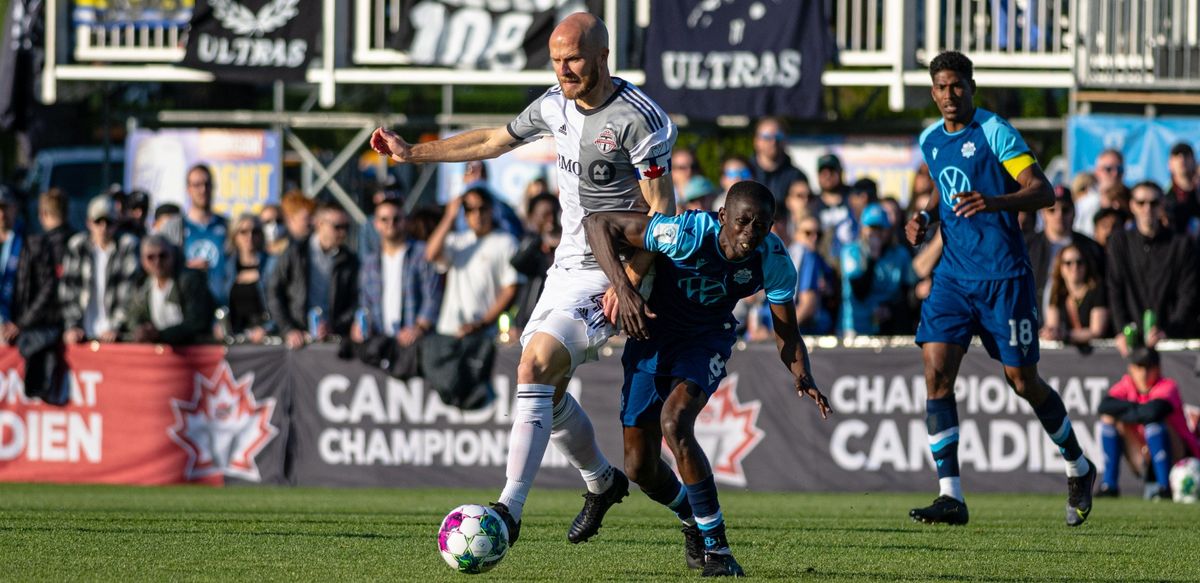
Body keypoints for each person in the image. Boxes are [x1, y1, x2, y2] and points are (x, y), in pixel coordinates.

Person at [370, 12, 677, 546]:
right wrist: (413, 152)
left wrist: (627, 279)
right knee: (546, 388)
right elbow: (493, 139)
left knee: (534, 364)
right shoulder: (554, 105)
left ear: (603, 56)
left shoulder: (638, 118)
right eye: (557, 60)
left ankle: (508, 511)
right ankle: (601, 482)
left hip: (619, 272)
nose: (564, 70)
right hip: (567, 268)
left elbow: (664, 212)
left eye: (574, 59)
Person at [583, 181, 831, 577]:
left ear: (772, 226)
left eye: (761, 224)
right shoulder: (686, 233)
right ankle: (692, 518)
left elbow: (788, 333)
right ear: (722, 218)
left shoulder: (775, 259)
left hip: (705, 342)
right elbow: (597, 223)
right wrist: (623, 288)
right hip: (654, 337)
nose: (750, 232)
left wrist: (804, 374)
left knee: (674, 423)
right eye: (743, 221)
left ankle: (718, 549)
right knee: (638, 468)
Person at [904, 51, 1096, 526]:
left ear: (972, 86)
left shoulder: (995, 132)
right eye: (942, 87)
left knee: (1022, 381)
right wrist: (927, 216)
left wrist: (994, 200)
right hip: (952, 277)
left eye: (958, 86)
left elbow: (1044, 190)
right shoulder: (930, 140)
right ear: (933, 92)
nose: (950, 95)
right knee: (935, 372)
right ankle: (951, 495)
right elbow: (939, 186)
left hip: (1005, 278)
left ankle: (1078, 464)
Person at [423, 188, 523, 409]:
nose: (477, 214)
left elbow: (510, 289)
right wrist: (449, 216)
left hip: (484, 338)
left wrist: (482, 323)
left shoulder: (506, 242)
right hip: (449, 334)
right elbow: (430, 254)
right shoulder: (458, 241)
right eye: (469, 209)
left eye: (482, 208)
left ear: (492, 209)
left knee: (481, 399)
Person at [353, 196, 442, 378]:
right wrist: (360, 324)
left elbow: (433, 296)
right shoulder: (370, 262)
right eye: (384, 219)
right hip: (382, 342)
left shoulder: (421, 254)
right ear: (376, 224)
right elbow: (365, 301)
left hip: (414, 344)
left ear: (406, 222)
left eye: (396, 219)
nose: (390, 224)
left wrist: (418, 328)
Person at [1106, 181, 1199, 354]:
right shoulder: (1119, 242)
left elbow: (1188, 293)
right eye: (1141, 203)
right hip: (1130, 342)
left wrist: (1168, 331)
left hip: (1171, 344)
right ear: (1132, 205)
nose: (1147, 208)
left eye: (1153, 203)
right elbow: (1115, 288)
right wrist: (1121, 329)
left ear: (1162, 205)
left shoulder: (1181, 244)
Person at [1097, 347, 1200, 498]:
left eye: (1149, 368)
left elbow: (1153, 412)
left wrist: (1127, 409)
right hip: (1143, 454)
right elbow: (1104, 406)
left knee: (1155, 422)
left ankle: (1164, 487)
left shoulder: (1167, 386)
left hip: (1179, 458)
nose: (1144, 373)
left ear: (1158, 369)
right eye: (1139, 367)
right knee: (1108, 419)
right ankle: (1109, 485)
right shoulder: (1127, 384)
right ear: (1131, 368)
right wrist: (1137, 408)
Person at [267, 202, 359, 349]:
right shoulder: (295, 253)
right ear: (319, 224)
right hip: (298, 339)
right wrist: (288, 329)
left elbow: (356, 302)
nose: (343, 233)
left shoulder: (350, 260)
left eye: (346, 227)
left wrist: (334, 326)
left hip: (333, 340)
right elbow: (274, 293)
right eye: (337, 227)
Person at [60, 195, 142, 344]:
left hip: (115, 335)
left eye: (109, 222)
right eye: (98, 221)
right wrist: (72, 326)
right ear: (89, 223)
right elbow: (68, 290)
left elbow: (130, 292)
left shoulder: (127, 245)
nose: (103, 227)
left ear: (116, 224)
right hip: (82, 334)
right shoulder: (77, 246)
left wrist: (116, 326)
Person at [1024, 185, 1105, 320]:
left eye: (1065, 209)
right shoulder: (1028, 246)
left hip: (1073, 329)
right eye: (1052, 210)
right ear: (1043, 214)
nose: (1059, 215)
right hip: (1033, 325)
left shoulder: (1091, 248)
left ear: (1074, 212)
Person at [840, 203, 916, 336]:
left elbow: (907, 293)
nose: (875, 233)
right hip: (856, 326)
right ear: (863, 229)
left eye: (880, 229)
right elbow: (859, 291)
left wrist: (890, 309)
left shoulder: (900, 254)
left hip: (889, 325)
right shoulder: (851, 252)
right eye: (871, 228)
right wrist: (872, 258)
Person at [125, 235, 215, 345]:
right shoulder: (143, 286)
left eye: (163, 255)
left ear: (173, 255)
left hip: (191, 351)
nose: (157, 261)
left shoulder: (189, 280)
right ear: (143, 261)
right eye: (150, 257)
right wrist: (141, 330)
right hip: (159, 354)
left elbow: (196, 323)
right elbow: (133, 317)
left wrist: (160, 335)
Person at [1039, 244, 1108, 348]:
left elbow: (1097, 331)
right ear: (1060, 267)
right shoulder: (1057, 294)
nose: (1074, 267)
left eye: (1079, 262)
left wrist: (1065, 335)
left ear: (1086, 265)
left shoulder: (1097, 290)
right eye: (1068, 263)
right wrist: (1049, 333)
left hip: (1100, 355)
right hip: (1066, 358)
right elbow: (1053, 326)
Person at [511, 193, 561, 334]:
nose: (550, 220)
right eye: (545, 215)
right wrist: (540, 239)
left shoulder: (567, 244)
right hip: (527, 322)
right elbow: (517, 263)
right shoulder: (530, 242)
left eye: (554, 214)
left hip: (557, 325)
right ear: (532, 217)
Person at [182, 164, 230, 305]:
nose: (203, 190)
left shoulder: (226, 225)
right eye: (197, 185)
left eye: (207, 184)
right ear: (188, 189)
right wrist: (186, 267)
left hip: (220, 304)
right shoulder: (178, 227)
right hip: (188, 304)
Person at [223, 214, 275, 343]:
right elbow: (219, 301)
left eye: (255, 231)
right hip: (235, 338)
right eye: (243, 232)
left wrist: (267, 328)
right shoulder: (227, 267)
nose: (250, 236)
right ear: (234, 236)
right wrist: (218, 326)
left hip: (266, 338)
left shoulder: (272, 264)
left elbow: (280, 303)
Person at [787, 214, 834, 334]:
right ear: (796, 234)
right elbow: (807, 305)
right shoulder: (806, 255)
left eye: (819, 234)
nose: (814, 238)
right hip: (794, 331)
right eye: (808, 233)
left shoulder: (820, 260)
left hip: (803, 331)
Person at [749, 116, 807, 205]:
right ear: (756, 141)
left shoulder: (797, 176)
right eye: (767, 136)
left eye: (778, 136)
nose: (773, 142)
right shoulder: (745, 172)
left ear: (785, 140)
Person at [1164, 142, 1200, 236]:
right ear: (1169, 164)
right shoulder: (1162, 197)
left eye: (1186, 155)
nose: (1182, 159)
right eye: (1176, 156)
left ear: (1194, 161)